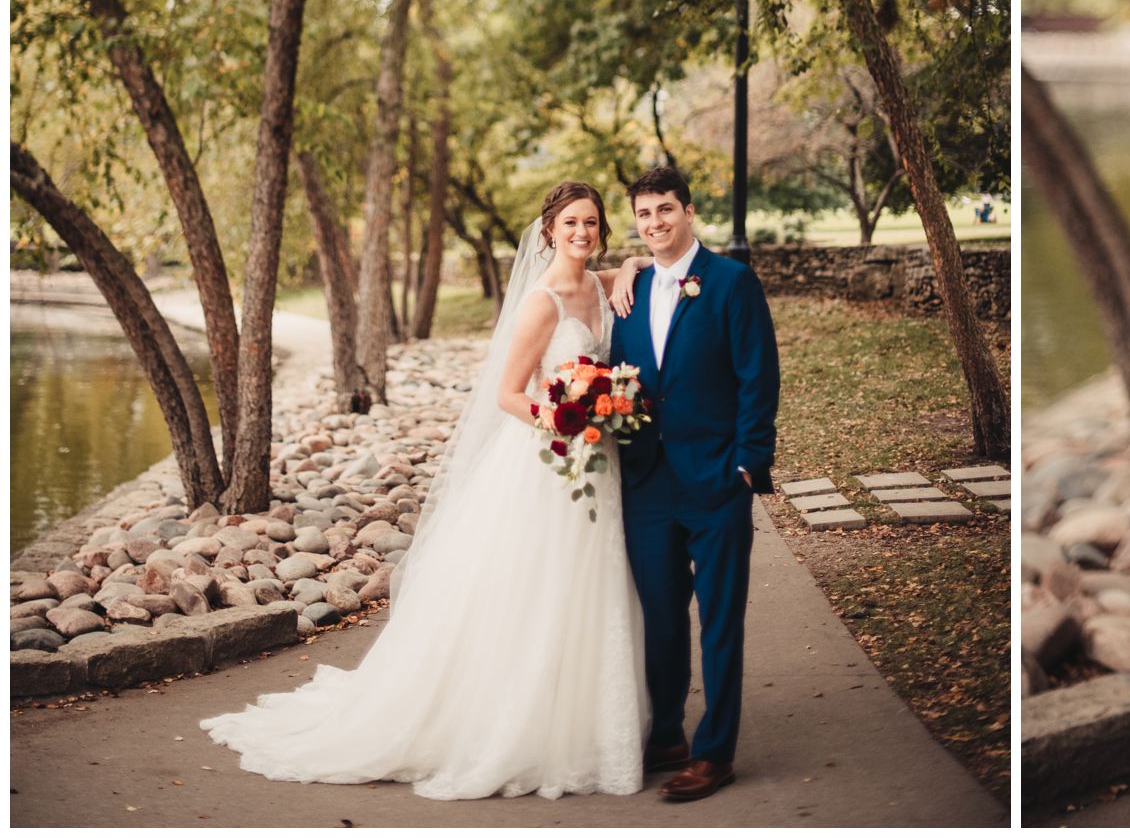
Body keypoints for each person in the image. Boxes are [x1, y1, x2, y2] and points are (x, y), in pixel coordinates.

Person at [203, 182, 649, 800]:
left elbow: (650, 261)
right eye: (571, 222)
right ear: (549, 230)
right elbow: (509, 394)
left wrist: (632, 266)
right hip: (547, 461)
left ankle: (587, 725)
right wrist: (565, 418)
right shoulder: (541, 302)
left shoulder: (601, 285)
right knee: (536, 587)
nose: (582, 232)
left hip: (597, 462)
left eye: (592, 222)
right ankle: (515, 725)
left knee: (590, 584)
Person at [606, 163, 780, 803]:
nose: (654, 223)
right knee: (659, 616)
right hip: (647, 481)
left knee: (721, 620)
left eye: (665, 210)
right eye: (644, 214)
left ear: (688, 211)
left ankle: (715, 752)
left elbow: (758, 375)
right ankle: (668, 734)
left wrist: (748, 462)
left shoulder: (731, 282)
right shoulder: (628, 289)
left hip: (717, 478)